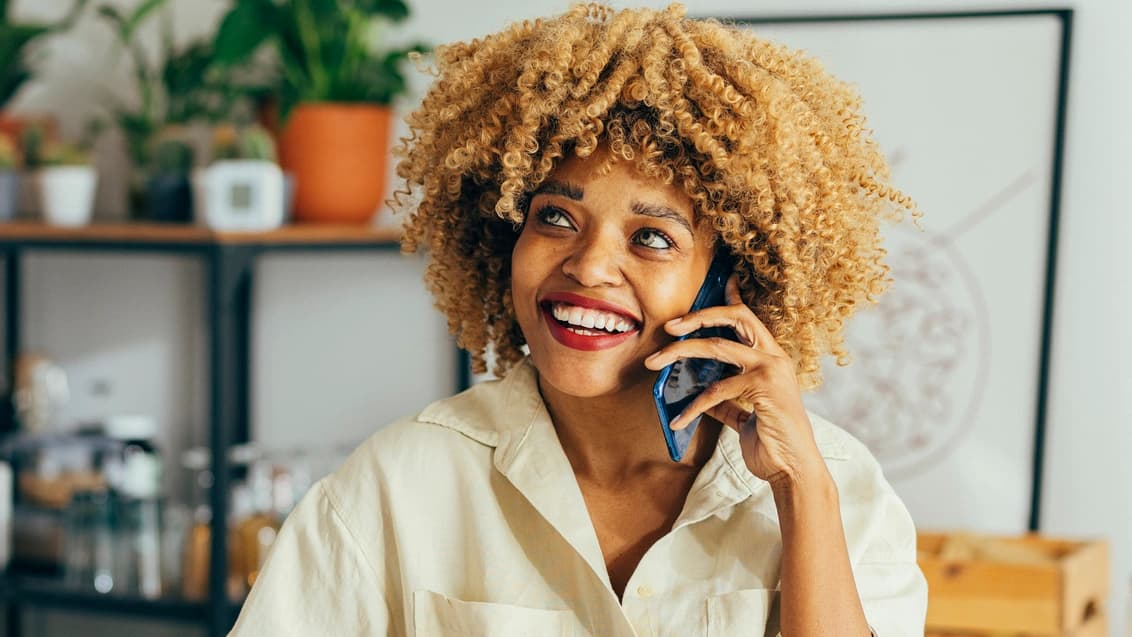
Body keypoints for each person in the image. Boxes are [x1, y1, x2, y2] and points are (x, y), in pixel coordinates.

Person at [231, 3, 927, 635]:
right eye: (556, 218)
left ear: (731, 280)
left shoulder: (832, 483)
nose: (589, 265)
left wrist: (800, 493)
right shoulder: (398, 484)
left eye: (651, 237)